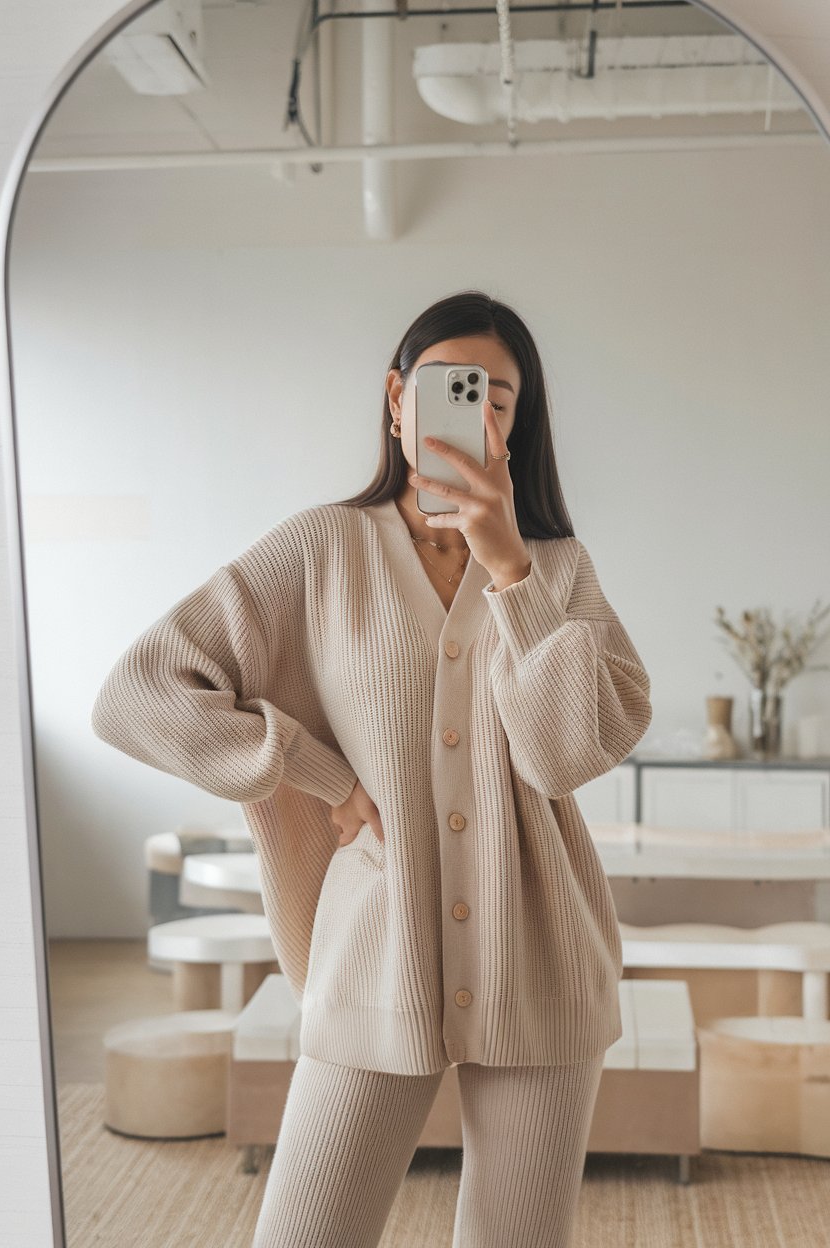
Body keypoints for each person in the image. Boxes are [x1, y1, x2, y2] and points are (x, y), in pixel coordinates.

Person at [91, 289, 652, 1247]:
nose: (472, 415)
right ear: (398, 401)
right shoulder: (320, 551)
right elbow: (136, 695)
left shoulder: (555, 570)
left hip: (543, 965)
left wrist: (508, 566)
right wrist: (316, 772)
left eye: (496, 399)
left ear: (518, 423)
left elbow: (563, 757)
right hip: (373, 954)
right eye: (446, 390)